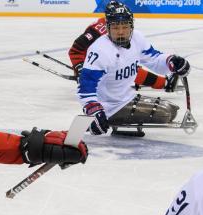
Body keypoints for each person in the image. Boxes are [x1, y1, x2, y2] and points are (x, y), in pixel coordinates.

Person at [77, 1, 191, 136]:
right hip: (109, 107)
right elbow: (85, 88)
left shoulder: (137, 38)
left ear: (131, 26)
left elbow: (154, 59)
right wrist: (94, 110)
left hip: (127, 97)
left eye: (125, 27)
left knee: (172, 109)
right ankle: (110, 117)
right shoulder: (100, 50)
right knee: (166, 114)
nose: (121, 32)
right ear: (107, 28)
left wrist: (171, 62)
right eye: (115, 27)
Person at [69, 1, 178, 92]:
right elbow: (75, 50)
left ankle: (162, 82)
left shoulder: (128, 34)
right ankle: (162, 82)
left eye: (125, 24)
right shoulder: (98, 29)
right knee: (125, 69)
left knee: (127, 67)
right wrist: (80, 69)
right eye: (116, 25)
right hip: (95, 62)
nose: (121, 30)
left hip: (106, 60)